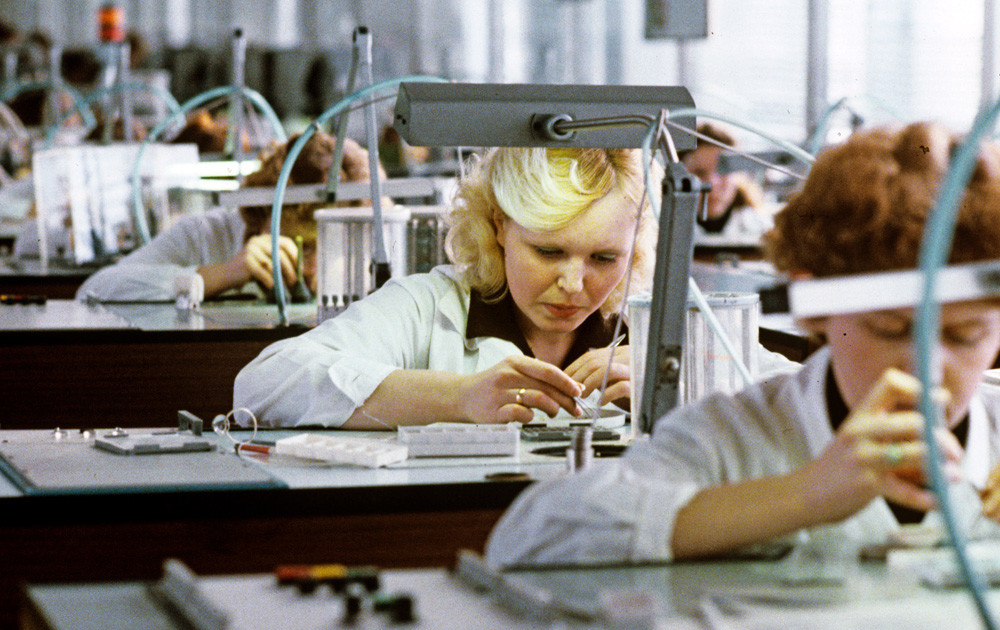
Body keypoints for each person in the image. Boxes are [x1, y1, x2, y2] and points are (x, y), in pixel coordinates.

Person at [485, 121, 1000, 566]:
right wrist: (807, 493)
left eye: (965, 334)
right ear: (812, 305)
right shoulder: (732, 439)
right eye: (889, 327)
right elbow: (527, 539)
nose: (928, 368)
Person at [233, 147, 660, 428]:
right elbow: (262, 386)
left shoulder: (647, 331)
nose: (573, 284)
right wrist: (458, 398)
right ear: (499, 226)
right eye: (548, 252)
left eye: (604, 258)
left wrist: (669, 390)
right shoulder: (428, 306)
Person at [75, 130, 373, 302]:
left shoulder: (366, 241)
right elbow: (93, 290)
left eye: (321, 246)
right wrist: (220, 275)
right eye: (299, 244)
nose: (308, 266)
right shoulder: (207, 235)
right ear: (260, 215)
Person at [681, 122, 773, 242]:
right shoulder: (657, 225)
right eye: (699, 172)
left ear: (739, 173)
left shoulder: (762, 228)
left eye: (723, 171)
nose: (712, 184)